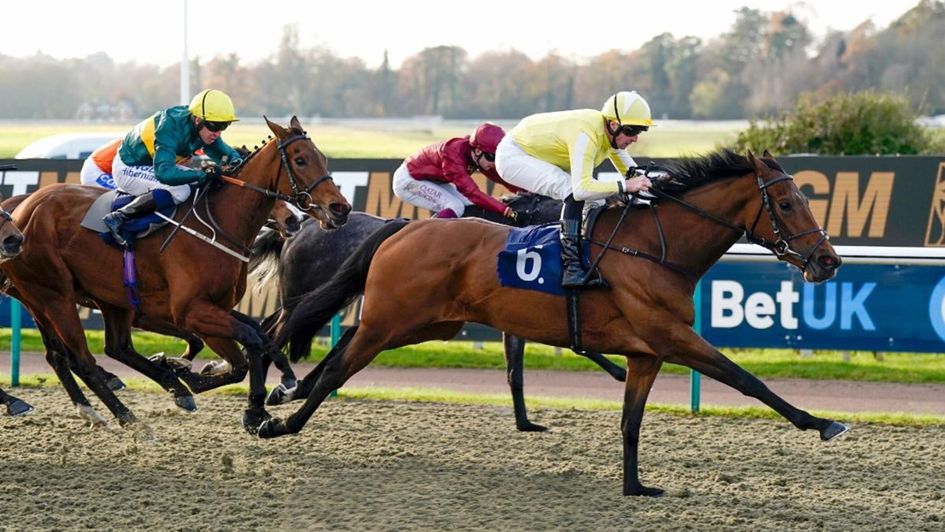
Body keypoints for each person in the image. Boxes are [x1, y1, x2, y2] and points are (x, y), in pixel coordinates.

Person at [495, 90, 654, 289]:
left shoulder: (610, 135)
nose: (635, 138)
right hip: (513, 156)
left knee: (596, 200)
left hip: (534, 150)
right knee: (572, 191)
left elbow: (632, 173)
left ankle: (588, 257)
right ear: (613, 125)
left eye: (640, 131)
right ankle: (571, 268)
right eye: (632, 131)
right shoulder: (587, 134)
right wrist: (626, 185)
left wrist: (650, 182)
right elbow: (581, 190)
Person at [103, 88, 243, 246]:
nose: (218, 133)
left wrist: (236, 161)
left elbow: (225, 154)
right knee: (181, 190)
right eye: (215, 126)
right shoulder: (169, 127)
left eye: (223, 126)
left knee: (195, 183)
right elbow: (165, 173)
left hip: (151, 165)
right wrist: (202, 174)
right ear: (198, 120)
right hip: (129, 168)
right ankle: (120, 217)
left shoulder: (204, 128)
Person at [392, 123, 526, 221]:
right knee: (455, 206)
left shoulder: (476, 153)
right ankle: (425, 236)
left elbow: (500, 177)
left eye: (498, 158)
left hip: (431, 179)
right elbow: (473, 193)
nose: (494, 163)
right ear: (478, 151)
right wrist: (507, 211)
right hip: (408, 180)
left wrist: (526, 191)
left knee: (471, 206)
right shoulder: (453, 156)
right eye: (492, 157)